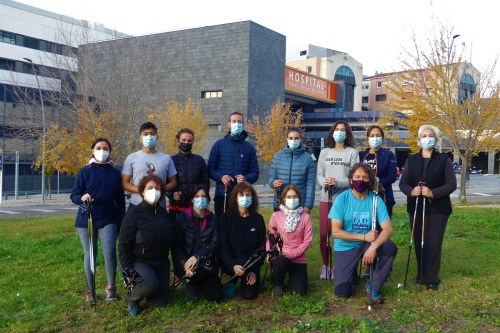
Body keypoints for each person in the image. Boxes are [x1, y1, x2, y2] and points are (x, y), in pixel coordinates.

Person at [399, 124, 457, 291]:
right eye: (424, 136)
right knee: (418, 241)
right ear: (419, 140)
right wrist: (412, 191)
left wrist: (433, 193)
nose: (427, 138)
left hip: (438, 208)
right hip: (416, 206)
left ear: (436, 139)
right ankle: (421, 274)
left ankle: (432, 278)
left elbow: (451, 184)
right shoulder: (411, 159)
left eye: (431, 135)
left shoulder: (444, 159)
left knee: (433, 242)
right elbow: (403, 183)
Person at [329, 163, 397, 303]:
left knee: (389, 248)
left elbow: (388, 229)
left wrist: (373, 247)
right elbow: (335, 232)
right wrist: (364, 236)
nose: (361, 180)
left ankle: (373, 285)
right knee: (343, 293)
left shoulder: (375, 200)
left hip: (367, 244)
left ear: (370, 181)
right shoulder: (342, 199)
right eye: (357, 177)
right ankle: (348, 271)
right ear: (350, 180)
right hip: (346, 246)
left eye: (365, 178)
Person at [70, 138, 125, 303]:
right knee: (90, 254)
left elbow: (120, 200)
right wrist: (82, 197)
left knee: (109, 251)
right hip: (86, 219)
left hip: (108, 218)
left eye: (106, 148)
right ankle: (91, 289)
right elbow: (74, 195)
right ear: (93, 150)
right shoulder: (84, 172)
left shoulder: (115, 174)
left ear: (110, 151)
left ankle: (111, 286)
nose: (102, 151)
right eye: (99, 148)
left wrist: (121, 220)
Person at [118, 175, 175, 315]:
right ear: (142, 191)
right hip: (140, 261)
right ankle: (132, 298)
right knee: (150, 284)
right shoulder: (134, 214)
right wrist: (127, 270)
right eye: (150, 188)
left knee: (160, 302)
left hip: (161, 262)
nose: (154, 191)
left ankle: (149, 289)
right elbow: (124, 244)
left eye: (157, 188)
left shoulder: (163, 213)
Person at [316, 120, 359, 279]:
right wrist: (325, 183)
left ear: (347, 134)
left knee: (341, 234)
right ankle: (325, 265)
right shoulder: (325, 152)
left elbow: (355, 178)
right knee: (324, 234)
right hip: (326, 198)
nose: (339, 132)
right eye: (337, 129)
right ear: (332, 132)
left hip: (344, 199)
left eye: (343, 130)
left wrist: (338, 182)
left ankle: (339, 266)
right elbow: (319, 174)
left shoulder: (352, 153)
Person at [173, 186, 223, 302]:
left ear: (208, 199)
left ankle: (199, 283)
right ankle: (190, 282)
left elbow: (215, 243)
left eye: (203, 196)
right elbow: (177, 247)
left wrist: (198, 256)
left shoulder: (213, 219)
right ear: (192, 199)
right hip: (187, 266)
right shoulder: (182, 219)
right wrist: (184, 265)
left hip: (206, 264)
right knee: (191, 298)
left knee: (216, 297)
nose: (200, 199)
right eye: (197, 196)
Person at [219, 182, 266, 300]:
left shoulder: (258, 219)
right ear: (235, 197)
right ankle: (232, 280)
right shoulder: (226, 218)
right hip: (231, 262)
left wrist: (254, 271)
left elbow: (261, 248)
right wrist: (232, 266)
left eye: (248, 195)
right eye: (241, 195)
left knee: (249, 295)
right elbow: (223, 248)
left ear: (252, 198)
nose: (245, 198)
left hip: (250, 264)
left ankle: (244, 279)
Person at [207, 112, 259, 215]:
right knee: (222, 225)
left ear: (243, 124)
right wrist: (221, 177)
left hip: (242, 195)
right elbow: (210, 169)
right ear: (229, 124)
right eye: (234, 121)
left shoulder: (249, 147)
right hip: (222, 194)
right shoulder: (219, 145)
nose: (237, 124)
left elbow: (255, 173)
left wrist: (245, 179)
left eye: (239, 122)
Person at [268, 185, 313, 296]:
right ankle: (279, 283)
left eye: (294, 197)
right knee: (280, 262)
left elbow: (307, 241)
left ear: (298, 198)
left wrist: (293, 254)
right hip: (281, 256)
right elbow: (270, 237)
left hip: (298, 258)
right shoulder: (276, 216)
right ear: (283, 199)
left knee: (300, 292)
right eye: (289, 197)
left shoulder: (305, 217)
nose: (292, 200)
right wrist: (269, 253)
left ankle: (294, 278)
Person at [122, 121, 177, 209]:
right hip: (137, 203)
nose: (149, 136)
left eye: (152, 134)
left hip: (159, 204)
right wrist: (141, 190)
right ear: (140, 137)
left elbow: (173, 182)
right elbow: (124, 183)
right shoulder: (131, 158)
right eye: (145, 134)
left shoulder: (166, 158)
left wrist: (159, 190)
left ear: (157, 137)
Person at [268, 127, 316, 213]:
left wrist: (308, 205)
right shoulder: (278, 157)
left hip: (299, 204)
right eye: (291, 138)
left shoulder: (308, 159)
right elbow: (271, 179)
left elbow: (310, 185)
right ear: (287, 139)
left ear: (301, 139)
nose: (293, 140)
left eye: (296, 138)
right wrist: (273, 183)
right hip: (280, 203)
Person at [167, 128, 210, 221]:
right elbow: (166, 183)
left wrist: (201, 197)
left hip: (196, 206)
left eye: (189, 141)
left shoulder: (199, 160)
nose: (186, 143)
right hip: (176, 207)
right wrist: (171, 195)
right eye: (183, 140)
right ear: (178, 141)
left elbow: (206, 182)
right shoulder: (171, 160)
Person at [359, 125, 398, 218]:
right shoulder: (361, 155)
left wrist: (376, 183)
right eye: (372, 135)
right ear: (368, 138)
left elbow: (392, 176)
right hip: (364, 195)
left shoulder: (389, 155)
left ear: (382, 138)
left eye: (378, 135)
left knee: (382, 227)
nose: (375, 138)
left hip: (384, 196)